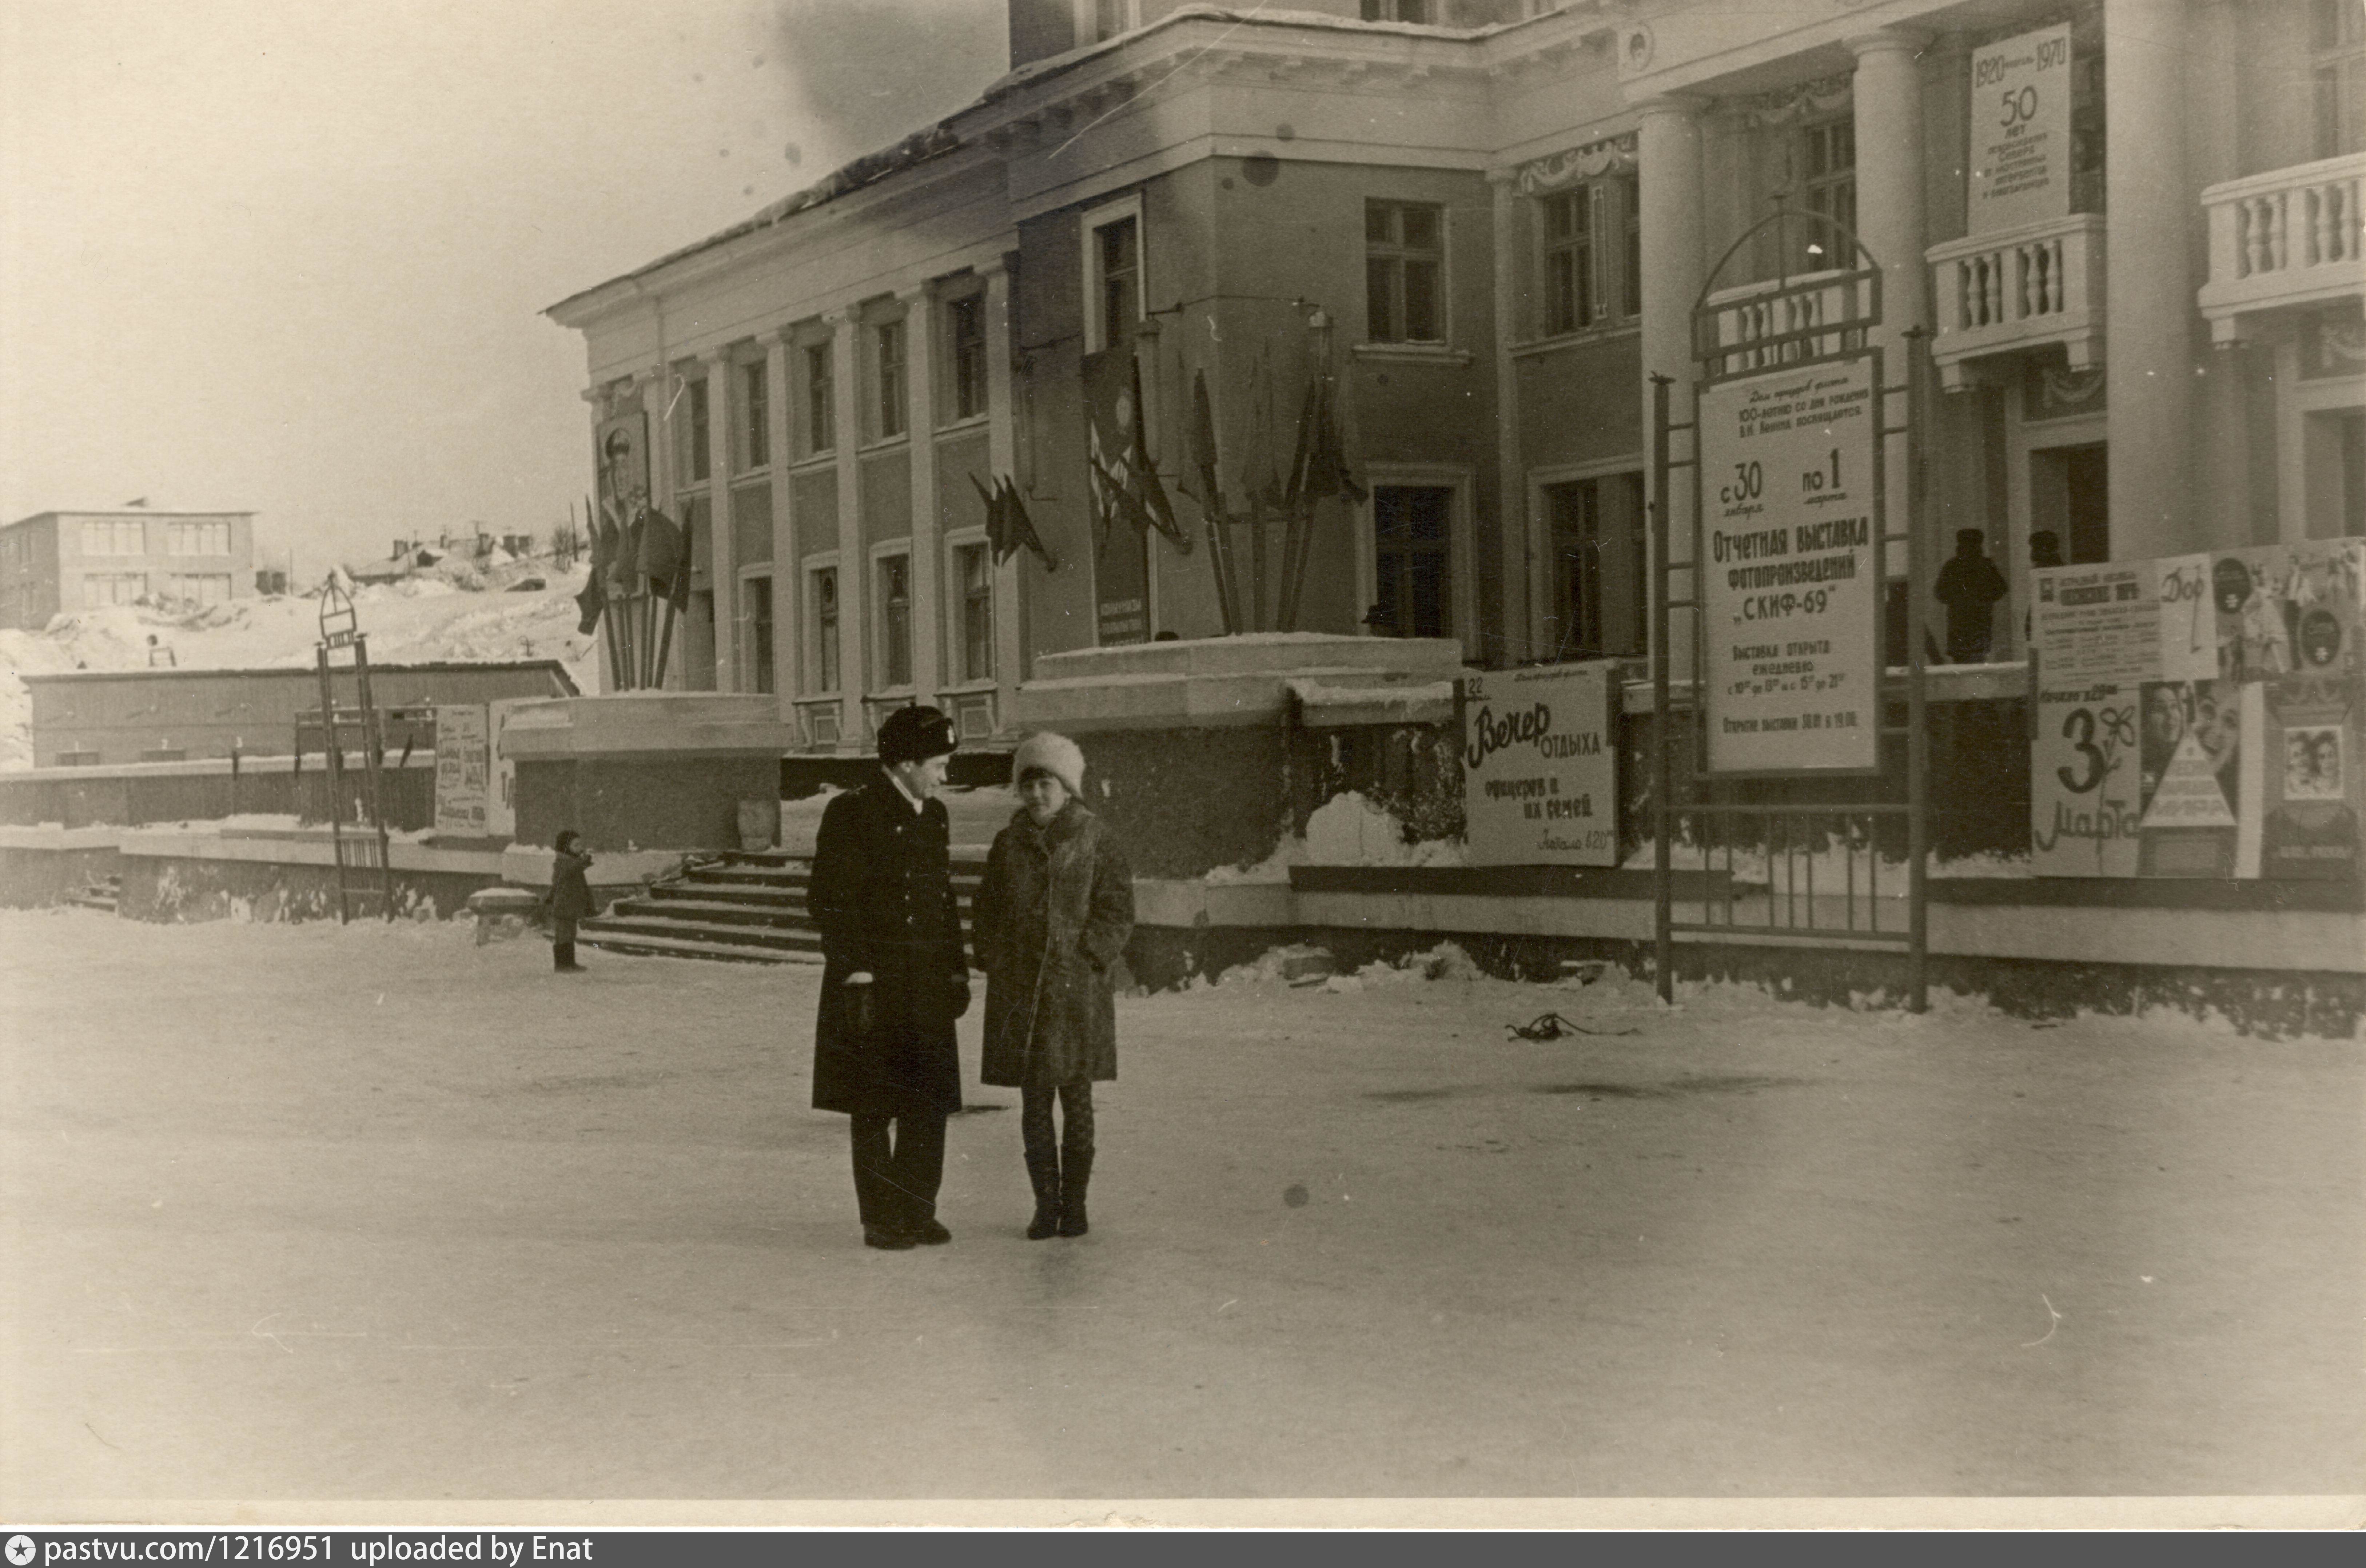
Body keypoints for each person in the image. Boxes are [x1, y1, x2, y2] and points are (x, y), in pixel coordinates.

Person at [808, 704, 971, 1251]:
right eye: (938, 764)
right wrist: (856, 973)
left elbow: (943, 901)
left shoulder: (936, 814)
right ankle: (881, 1216)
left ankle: (918, 1209)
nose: (945, 775)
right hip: (873, 982)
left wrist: (955, 967)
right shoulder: (851, 813)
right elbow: (832, 900)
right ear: (904, 763)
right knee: (875, 1103)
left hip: (924, 981)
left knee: (929, 1100)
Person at [974, 732, 1135, 1240]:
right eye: (1028, 786)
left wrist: (1088, 956)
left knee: (1078, 1101)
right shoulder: (1008, 842)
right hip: (1021, 991)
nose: (1037, 795)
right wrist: (996, 956)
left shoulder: (1097, 838)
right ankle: (1046, 1206)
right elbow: (986, 909)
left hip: (1076, 993)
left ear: (1067, 786)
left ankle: (1076, 1205)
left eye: (1046, 784)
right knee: (1035, 1102)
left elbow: (1117, 910)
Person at [1934, 528, 2008, 664]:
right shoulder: (1986, 565)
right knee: (1977, 660)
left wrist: (1958, 600)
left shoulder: (1952, 566)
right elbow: (2001, 589)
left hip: (1959, 622)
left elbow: (1940, 593)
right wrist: (1983, 599)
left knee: (1961, 661)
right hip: (1980, 621)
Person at [549, 830, 593, 973]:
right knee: (563, 935)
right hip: (563, 905)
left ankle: (571, 963)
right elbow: (568, 872)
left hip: (570, 905)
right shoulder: (562, 862)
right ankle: (561, 965)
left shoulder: (572, 861)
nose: (580, 847)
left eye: (581, 844)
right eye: (576, 845)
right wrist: (582, 863)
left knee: (570, 934)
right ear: (566, 846)